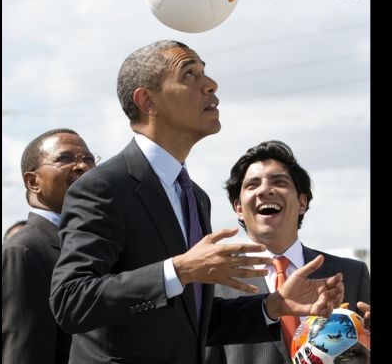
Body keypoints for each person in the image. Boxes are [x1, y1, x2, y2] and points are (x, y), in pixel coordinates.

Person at [49, 40, 345, 364]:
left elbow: (192, 324)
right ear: (147, 100)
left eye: (205, 72)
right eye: (190, 74)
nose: (211, 84)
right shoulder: (104, 186)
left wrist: (273, 306)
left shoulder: (194, 197)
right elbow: (71, 301)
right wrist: (180, 269)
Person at [205, 140, 371, 364]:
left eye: (279, 181)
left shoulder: (351, 273)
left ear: (302, 202)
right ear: (239, 208)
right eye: (252, 185)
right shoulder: (214, 281)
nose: (265, 190)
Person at [2, 128, 98, 364]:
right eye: (64, 158)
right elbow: (24, 350)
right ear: (33, 181)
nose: (81, 166)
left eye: (88, 158)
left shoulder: (97, 242)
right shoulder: (25, 250)